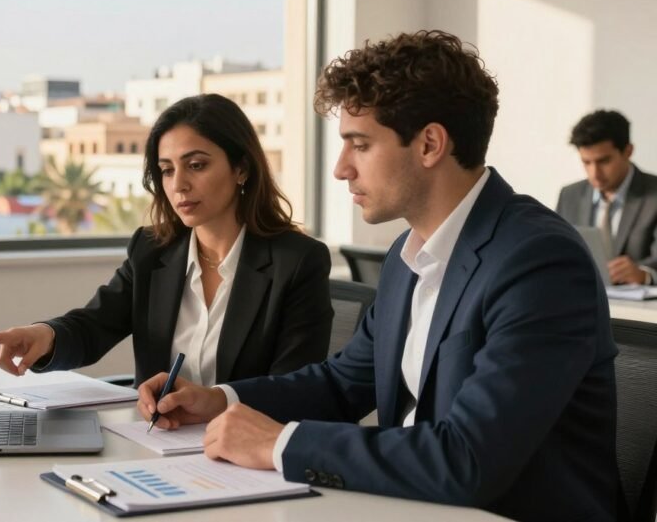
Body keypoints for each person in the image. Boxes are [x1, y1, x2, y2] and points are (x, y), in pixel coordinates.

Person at [137, 31, 618, 521]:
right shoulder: (406, 257)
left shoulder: (537, 260)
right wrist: (217, 400)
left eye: (359, 145)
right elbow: (342, 384)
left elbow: (469, 460)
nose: (342, 169)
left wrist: (281, 443)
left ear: (430, 143)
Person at [0, 94, 334, 387]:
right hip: (155, 442)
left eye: (196, 165)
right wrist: (45, 335)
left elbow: (295, 387)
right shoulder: (153, 250)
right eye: (166, 170)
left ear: (241, 168)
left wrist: (216, 402)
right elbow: (95, 326)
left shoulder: (298, 261)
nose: (178, 185)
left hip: (241, 454)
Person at [556, 109, 657, 285]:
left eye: (604, 161)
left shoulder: (653, 194)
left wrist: (644, 274)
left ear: (628, 151)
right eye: (586, 162)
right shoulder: (569, 196)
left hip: (636, 310)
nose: (594, 173)